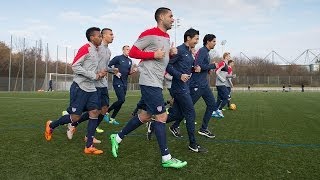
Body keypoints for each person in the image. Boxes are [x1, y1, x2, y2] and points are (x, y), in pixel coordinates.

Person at [109, 7, 187, 169]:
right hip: (149, 80)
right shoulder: (150, 33)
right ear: (161, 17)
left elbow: (161, 56)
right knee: (161, 117)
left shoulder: (166, 36)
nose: (173, 19)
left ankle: (116, 138)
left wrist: (170, 54)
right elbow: (134, 52)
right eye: (170, 16)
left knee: (144, 116)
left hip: (157, 81)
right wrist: (152, 55)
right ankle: (166, 158)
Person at [44, 27, 105, 154]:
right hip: (80, 87)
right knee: (75, 118)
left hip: (91, 88)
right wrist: (93, 75)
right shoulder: (85, 48)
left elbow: (91, 68)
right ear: (92, 37)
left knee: (95, 112)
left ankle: (89, 146)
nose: (101, 38)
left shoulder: (97, 50)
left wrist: (99, 73)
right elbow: (75, 66)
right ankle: (51, 125)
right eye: (99, 36)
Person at [66, 28, 118, 142]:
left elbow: (103, 66)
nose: (113, 36)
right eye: (111, 34)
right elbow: (87, 65)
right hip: (93, 83)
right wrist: (95, 75)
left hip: (102, 83)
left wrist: (111, 70)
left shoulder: (108, 51)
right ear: (103, 36)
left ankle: (86, 132)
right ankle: (74, 124)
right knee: (93, 111)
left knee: (104, 110)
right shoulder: (96, 48)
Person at [169, 34, 219, 139]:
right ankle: (173, 125)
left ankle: (203, 128)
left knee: (212, 105)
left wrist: (207, 69)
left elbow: (199, 67)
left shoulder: (206, 52)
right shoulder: (202, 51)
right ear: (208, 42)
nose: (215, 43)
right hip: (196, 85)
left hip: (203, 84)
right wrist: (212, 66)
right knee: (187, 109)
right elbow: (197, 66)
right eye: (214, 41)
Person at [166, 28, 208, 152]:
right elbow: (168, 65)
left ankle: (154, 123)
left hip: (185, 87)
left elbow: (185, 67)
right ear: (188, 38)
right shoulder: (179, 50)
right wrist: (179, 75)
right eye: (196, 39)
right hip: (179, 88)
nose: (197, 41)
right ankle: (193, 144)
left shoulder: (190, 52)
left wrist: (193, 68)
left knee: (177, 114)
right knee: (190, 113)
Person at [107, 45, 137, 123]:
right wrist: (115, 72)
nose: (128, 51)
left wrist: (132, 71)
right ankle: (107, 111)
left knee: (121, 101)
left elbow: (128, 73)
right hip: (117, 82)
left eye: (129, 49)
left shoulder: (130, 61)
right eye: (127, 49)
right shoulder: (118, 58)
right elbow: (108, 66)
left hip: (125, 83)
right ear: (123, 50)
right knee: (121, 99)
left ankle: (112, 118)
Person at [214, 52, 232, 117]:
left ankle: (214, 111)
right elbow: (216, 72)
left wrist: (231, 76)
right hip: (220, 84)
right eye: (229, 56)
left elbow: (225, 75)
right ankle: (219, 110)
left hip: (221, 84)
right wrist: (222, 79)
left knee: (219, 99)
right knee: (227, 97)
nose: (230, 57)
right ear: (226, 56)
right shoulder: (222, 63)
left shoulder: (226, 65)